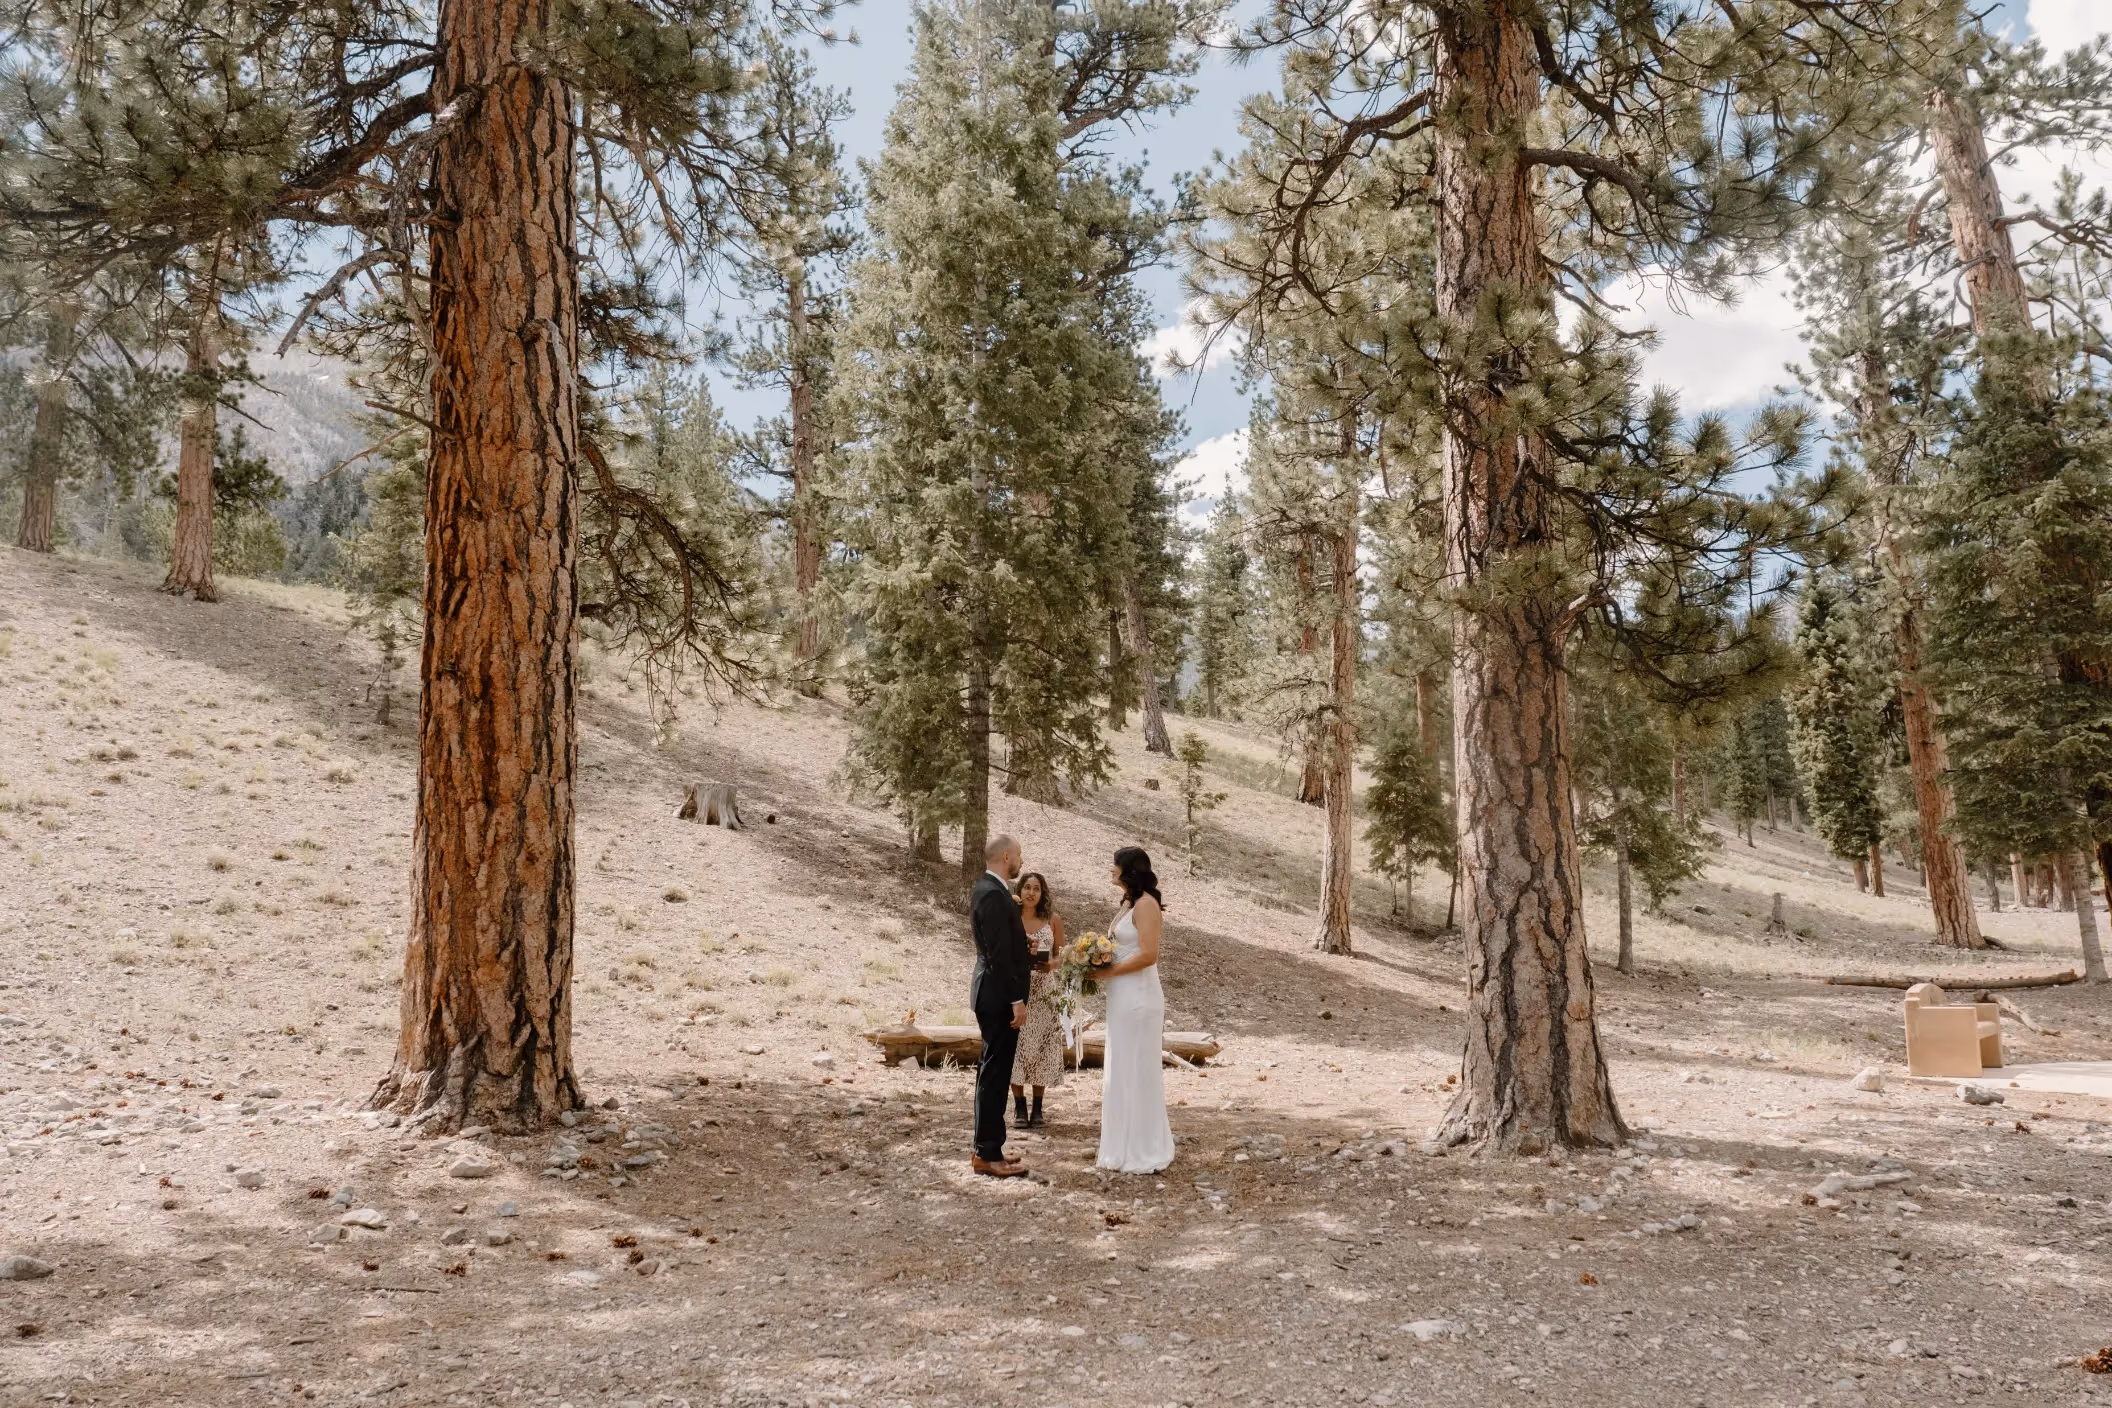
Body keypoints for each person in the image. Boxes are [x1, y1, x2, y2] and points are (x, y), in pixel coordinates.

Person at [1096, 845, 1175, 1174]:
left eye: (1115, 865)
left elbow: (1148, 955)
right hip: (1121, 996)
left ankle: (1142, 1147)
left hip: (1139, 997)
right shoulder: (1128, 903)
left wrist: (1107, 972)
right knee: (1120, 1068)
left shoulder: (1146, 905)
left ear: (1128, 869)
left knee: (1136, 1069)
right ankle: (1119, 1145)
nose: (1111, 869)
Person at [968, 833, 1032, 1177]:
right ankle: (986, 1153)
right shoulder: (992, 895)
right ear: (1006, 857)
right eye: (1019, 855)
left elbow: (1007, 947)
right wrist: (1016, 1000)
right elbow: (997, 956)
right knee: (993, 1075)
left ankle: (990, 1147)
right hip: (997, 997)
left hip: (994, 992)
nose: (1022, 860)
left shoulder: (992, 891)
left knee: (993, 1072)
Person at [1009, 872, 1066, 1129]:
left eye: (1037, 889)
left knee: (1043, 1048)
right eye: (1027, 887)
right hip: (1016, 991)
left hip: (1044, 992)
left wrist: (1050, 965)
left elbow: (1061, 956)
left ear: (1043, 894)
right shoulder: (1010, 918)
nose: (1031, 892)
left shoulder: (1053, 920)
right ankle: (1019, 1107)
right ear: (1020, 890)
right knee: (1016, 1049)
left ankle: (1039, 1108)